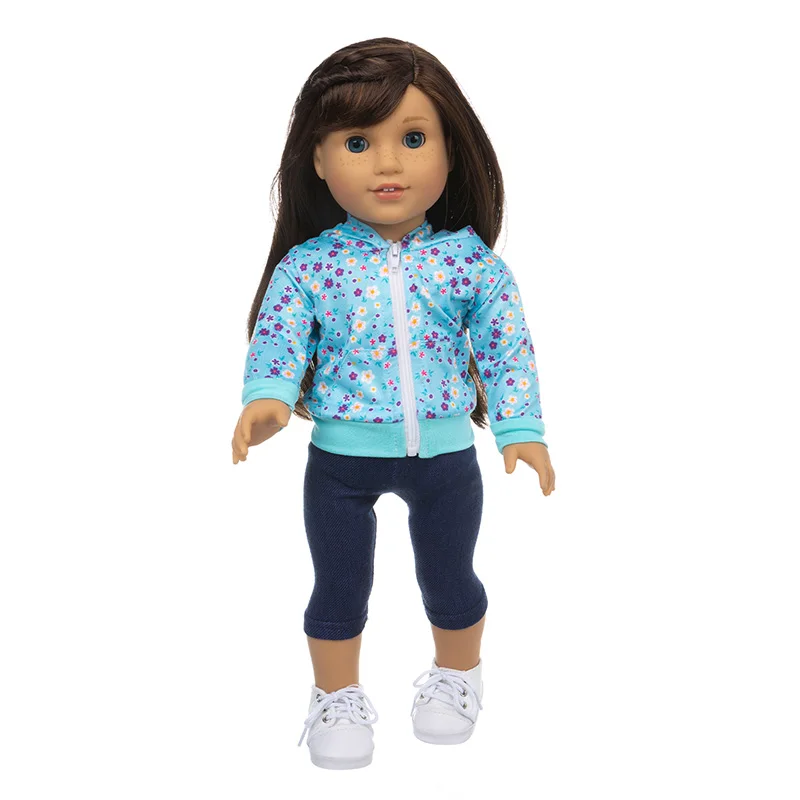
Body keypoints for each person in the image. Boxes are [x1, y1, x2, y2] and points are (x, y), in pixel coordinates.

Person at [230, 37, 556, 770]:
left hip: (445, 459)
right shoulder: (310, 265)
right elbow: (280, 337)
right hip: (340, 463)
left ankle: (458, 675)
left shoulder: (469, 263)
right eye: (357, 142)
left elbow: (506, 347)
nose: (387, 164)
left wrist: (520, 428)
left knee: (450, 576)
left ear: (451, 151)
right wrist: (268, 399)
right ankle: (335, 696)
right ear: (318, 160)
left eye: (412, 139)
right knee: (339, 583)